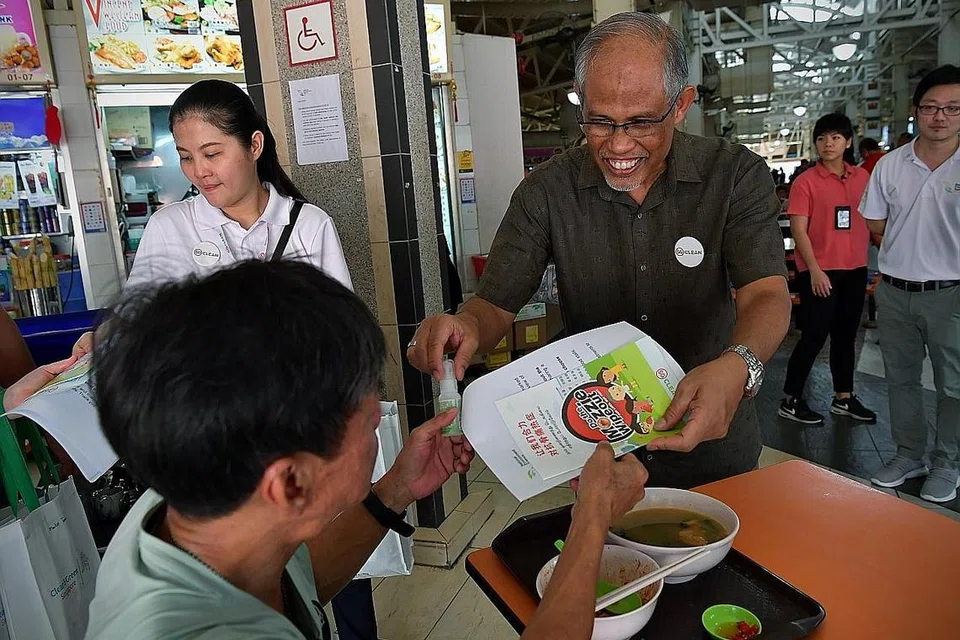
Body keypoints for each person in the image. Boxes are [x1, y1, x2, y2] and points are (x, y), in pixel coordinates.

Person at [8, 260, 648, 640]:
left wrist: (394, 489)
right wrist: (591, 519)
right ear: (290, 482)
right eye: (368, 421)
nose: (379, 427)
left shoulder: (184, 507)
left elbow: (300, 583)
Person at [407, 12, 792, 489]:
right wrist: (465, 325)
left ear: (681, 105)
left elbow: (766, 293)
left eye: (640, 122)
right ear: (580, 100)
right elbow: (494, 306)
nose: (619, 145)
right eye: (600, 121)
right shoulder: (547, 191)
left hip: (714, 446)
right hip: (598, 452)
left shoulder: (733, 176)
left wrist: (738, 365)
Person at [71, 79, 377, 637]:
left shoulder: (308, 224)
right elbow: (143, 324)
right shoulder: (171, 226)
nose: (199, 171)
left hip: (301, 427)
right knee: (256, 557)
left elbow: (341, 336)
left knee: (327, 555)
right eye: (187, 157)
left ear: (254, 145)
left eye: (212, 153)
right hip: (224, 438)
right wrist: (108, 336)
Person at [861, 65, 960, 503]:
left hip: (951, 293)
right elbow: (875, 224)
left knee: (953, 384)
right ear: (916, 110)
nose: (940, 116)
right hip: (895, 290)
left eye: (953, 108)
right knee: (901, 379)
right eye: (931, 107)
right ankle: (908, 455)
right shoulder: (890, 165)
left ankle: (948, 462)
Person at [777, 114, 875, 425]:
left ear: (848, 142)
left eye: (835, 137)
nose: (828, 144)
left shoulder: (862, 178)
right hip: (819, 271)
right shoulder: (806, 182)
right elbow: (799, 230)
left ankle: (844, 397)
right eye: (821, 138)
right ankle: (791, 399)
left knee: (846, 335)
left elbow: (874, 220)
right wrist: (814, 270)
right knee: (814, 335)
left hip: (855, 268)